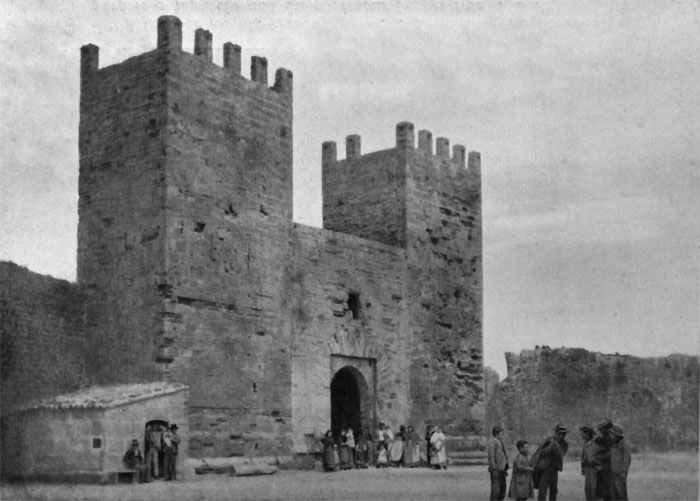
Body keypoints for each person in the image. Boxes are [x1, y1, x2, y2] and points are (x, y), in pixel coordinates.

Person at [534, 424, 568, 501]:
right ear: (556, 433)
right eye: (559, 434)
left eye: (563, 434)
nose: (561, 436)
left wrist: (554, 446)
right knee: (543, 489)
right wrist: (550, 447)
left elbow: (561, 455)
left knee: (554, 490)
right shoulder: (548, 441)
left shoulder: (564, 444)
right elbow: (541, 453)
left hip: (554, 468)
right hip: (545, 468)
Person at [609, 425, 631, 501]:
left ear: (617, 436)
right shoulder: (613, 446)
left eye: (612, 435)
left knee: (621, 494)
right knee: (614, 495)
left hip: (620, 475)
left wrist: (623, 473)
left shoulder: (624, 445)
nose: (611, 436)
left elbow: (627, 460)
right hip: (613, 474)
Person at [579, 424, 601, 500]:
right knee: (587, 489)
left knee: (594, 490)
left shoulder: (596, 444)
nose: (581, 435)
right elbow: (583, 457)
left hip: (595, 469)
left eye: (583, 433)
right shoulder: (585, 445)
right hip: (588, 469)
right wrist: (583, 467)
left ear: (587, 434)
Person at [594, 418, 614, 501]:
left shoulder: (610, 438)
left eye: (602, 429)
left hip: (608, 467)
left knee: (608, 491)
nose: (601, 431)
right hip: (604, 467)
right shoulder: (607, 437)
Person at [488, 425, 509, 501]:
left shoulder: (500, 443)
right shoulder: (493, 443)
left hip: (502, 468)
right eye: (501, 434)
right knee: (496, 490)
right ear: (496, 434)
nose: (503, 436)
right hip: (496, 469)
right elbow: (492, 456)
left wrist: (506, 467)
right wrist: (493, 468)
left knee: (502, 488)